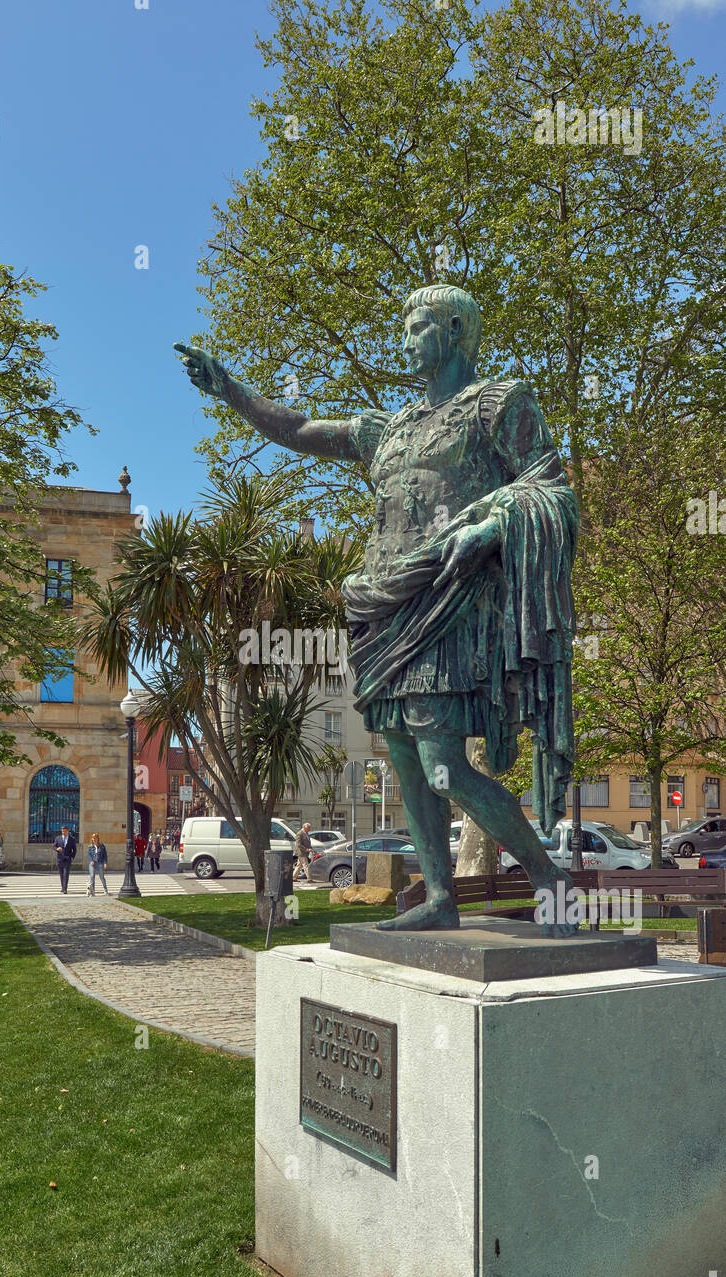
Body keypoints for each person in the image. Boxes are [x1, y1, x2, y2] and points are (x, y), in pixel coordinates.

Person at [176, 284, 578, 936]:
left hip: (447, 602)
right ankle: (441, 896)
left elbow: (549, 489)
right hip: (380, 608)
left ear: (452, 329)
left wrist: (490, 525)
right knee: (406, 756)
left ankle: (551, 882)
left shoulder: (498, 405)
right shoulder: (387, 428)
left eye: (417, 326)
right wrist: (233, 392)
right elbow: (300, 430)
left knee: (444, 765)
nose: (405, 339)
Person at [54, 825, 77, 894]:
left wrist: (72, 857)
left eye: (65, 831)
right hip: (60, 859)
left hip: (67, 859)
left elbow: (75, 850)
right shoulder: (58, 838)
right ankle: (62, 887)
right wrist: (56, 849)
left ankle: (65, 889)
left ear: (67, 831)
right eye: (62, 830)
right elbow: (54, 846)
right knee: (61, 874)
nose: (63, 832)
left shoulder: (72, 839)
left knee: (66, 874)